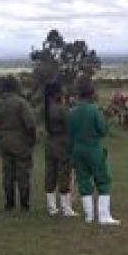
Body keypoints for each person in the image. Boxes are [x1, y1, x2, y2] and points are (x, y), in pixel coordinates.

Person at [68, 80, 120, 225]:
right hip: (93, 149)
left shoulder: (72, 112)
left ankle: (89, 216)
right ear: (91, 94)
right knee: (103, 180)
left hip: (77, 150)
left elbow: (70, 135)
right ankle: (104, 216)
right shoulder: (94, 110)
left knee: (84, 181)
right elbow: (103, 130)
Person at [0, 76, 36, 211]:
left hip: (5, 141)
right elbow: (31, 124)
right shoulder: (21, 103)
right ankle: (24, 204)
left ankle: (9, 203)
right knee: (23, 173)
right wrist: (31, 139)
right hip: (21, 141)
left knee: (8, 173)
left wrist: (3, 135)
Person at [43, 82, 76, 217]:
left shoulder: (47, 108)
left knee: (50, 174)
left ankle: (51, 207)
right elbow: (70, 126)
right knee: (64, 174)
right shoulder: (61, 109)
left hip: (50, 143)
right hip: (62, 143)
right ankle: (66, 208)